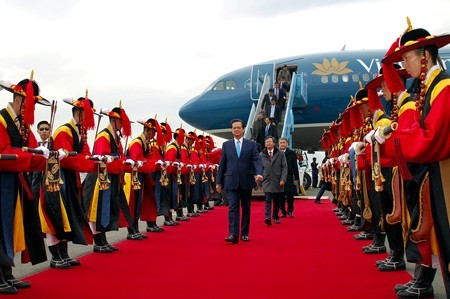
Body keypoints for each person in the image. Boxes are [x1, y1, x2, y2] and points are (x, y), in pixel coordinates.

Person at [380, 25, 450, 298]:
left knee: (442, 235)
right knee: (435, 236)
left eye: (407, 58)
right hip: (434, 175)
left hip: (443, 174)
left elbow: (433, 138)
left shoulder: (442, 86)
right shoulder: (428, 88)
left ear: (425, 56)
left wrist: (396, 138)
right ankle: (424, 280)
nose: (404, 66)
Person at [0, 74, 50, 294]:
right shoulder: (1, 120)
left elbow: (32, 153)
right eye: (30, 104)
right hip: (2, 183)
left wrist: (46, 154)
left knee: (11, 229)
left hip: (16, 184)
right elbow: (4, 154)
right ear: (19, 99)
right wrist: (31, 155)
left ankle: (7, 273)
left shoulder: (23, 126)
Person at [216, 119, 262, 243]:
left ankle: (245, 233)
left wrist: (259, 173)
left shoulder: (251, 145)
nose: (236, 129)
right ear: (232, 130)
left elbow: (256, 160)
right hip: (231, 181)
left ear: (243, 129)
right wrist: (219, 182)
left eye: (238, 127)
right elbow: (222, 164)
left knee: (246, 208)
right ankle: (233, 234)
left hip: (246, 180)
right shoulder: (226, 145)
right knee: (232, 208)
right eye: (234, 128)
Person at [260, 136, 287, 225]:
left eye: (269, 141)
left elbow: (284, 167)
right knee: (268, 199)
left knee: (276, 200)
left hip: (277, 179)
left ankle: (275, 216)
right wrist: (259, 182)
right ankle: (267, 217)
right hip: (266, 179)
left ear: (274, 143)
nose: (268, 143)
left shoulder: (280, 154)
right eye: (266, 142)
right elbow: (260, 168)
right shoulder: (262, 154)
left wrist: (283, 179)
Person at [278, 137, 299, 217]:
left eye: (284, 142)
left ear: (287, 144)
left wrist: (296, 178)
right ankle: (283, 211)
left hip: (289, 176)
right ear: (279, 144)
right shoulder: (276, 153)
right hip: (279, 177)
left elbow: (295, 166)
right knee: (281, 195)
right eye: (281, 143)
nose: (282, 144)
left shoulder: (291, 153)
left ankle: (290, 210)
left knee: (290, 194)